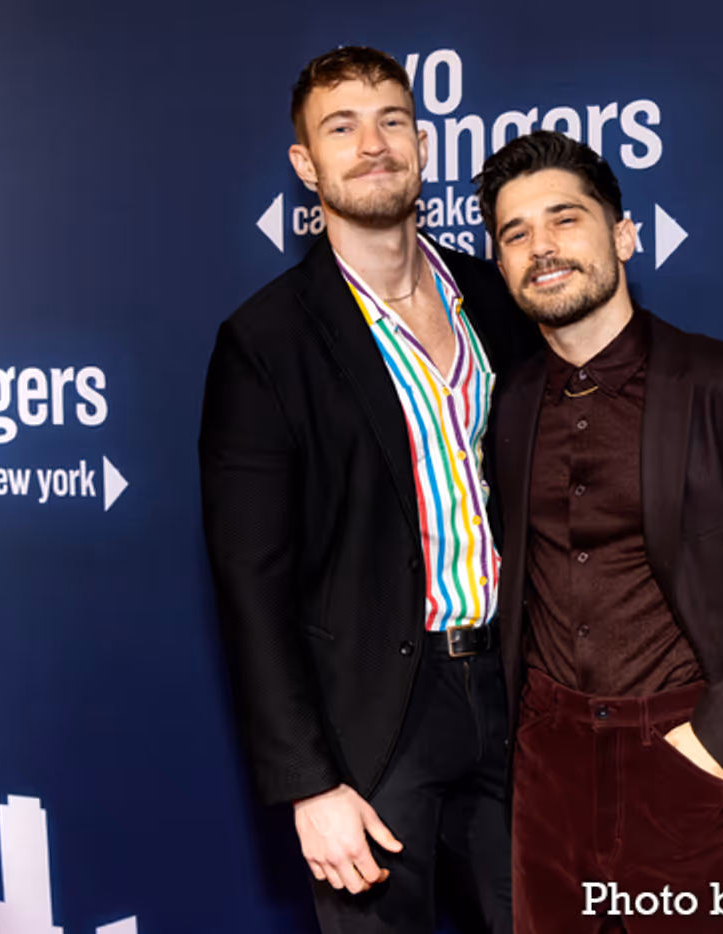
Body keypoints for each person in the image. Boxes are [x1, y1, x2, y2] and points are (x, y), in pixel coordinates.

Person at [474, 131, 723, 932]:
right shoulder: (507, 404)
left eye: (565, 220)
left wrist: (719, 743)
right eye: (516, 234)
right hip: (547, 770)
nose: (542, 248)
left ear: (623, 235)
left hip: (694, 755)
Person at [199, 46, 535, 934]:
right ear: (307, 166)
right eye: (341, 128)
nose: (373, 144)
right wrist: (308, 782)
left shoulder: (494, 299)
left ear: (422, 144)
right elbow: (250, 582)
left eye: (391, 121)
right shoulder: (265, 340)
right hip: (377, 717)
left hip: (519, 688)